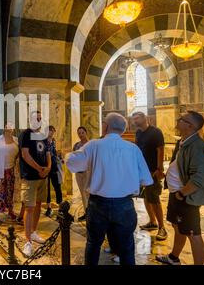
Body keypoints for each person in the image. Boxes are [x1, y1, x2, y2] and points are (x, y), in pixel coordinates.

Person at [66, 112, 153, 265]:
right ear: (123, 130)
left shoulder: (94, 145)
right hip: (125, 205)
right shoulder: (133, 149)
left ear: (106, 126)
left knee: (93, 244)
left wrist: (67, 155)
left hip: (98, 204)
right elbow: (146, 179)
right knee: (127, 248)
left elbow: (73, 163)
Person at [156, 111, 204, 265]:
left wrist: (182, 193)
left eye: (182, 119)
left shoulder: (197, 146)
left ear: (190, 126)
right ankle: (174, 257)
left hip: (186, 197)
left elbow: (200, 177)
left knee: (193, 233)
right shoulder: (184, 141)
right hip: (177, 193)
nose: (178, 120)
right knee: (178, 226)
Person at [18, 111, 51, 257]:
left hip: (43, 177)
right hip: (30, 177)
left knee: (38, 205)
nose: (38, 121)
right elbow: (25, 154)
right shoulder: (25, 134)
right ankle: (28, 242)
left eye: (40, 118)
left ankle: (33, 232)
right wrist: (39, 169)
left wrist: (48, 167)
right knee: (29, 207)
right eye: (35, 119)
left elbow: (48, 153)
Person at [132, 111, 167, 241]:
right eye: (133, 118)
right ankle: (152, 222)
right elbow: (137, 149)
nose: (135, 121)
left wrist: (159, 168)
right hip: (142, 170)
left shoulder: (155, 132)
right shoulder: (138, 133)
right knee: (145, 197)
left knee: (154, 199)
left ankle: (162, 228)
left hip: (153, 170)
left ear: (145, 118)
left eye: (137, 118)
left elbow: (160, 150)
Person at [72, 126, 90, 221]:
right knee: (82, 193)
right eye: (79, 133)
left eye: (82, 132)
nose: (81, 135)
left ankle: (91, 213)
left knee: (88, 193)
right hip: (78, 172)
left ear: (86, 133)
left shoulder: (91, 144)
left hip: (87, 172)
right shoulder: (76, 145)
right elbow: (73, 157)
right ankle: (86, 212)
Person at [45, 126, 63, 217]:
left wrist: (59, 157)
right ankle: (48, 207)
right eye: (49, 131)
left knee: (57, 186)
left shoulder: (54, 141)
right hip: (46, 166)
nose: (51, 132)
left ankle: (60, 207)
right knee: (47, 188)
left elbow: (54, 152)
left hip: (54, 166)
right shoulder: (43, 141)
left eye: (52, 130)